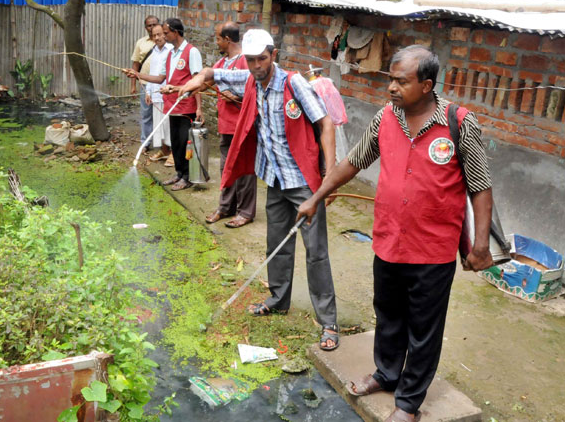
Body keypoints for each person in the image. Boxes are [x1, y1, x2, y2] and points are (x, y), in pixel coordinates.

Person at [296, 45, 495, 422]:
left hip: (432, 250)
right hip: (388, 240)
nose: (391, 88)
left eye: (401, 81)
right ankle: (387, 374)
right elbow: (354, 160)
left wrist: (481, 244)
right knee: (387, 314)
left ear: (426, 85)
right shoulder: (386, 117)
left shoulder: (458, 122)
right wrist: (317, 197)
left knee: (424, 328)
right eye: (390, 79)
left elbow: (480, 186)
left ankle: (408, 403)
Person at [178, 29, 339, 350]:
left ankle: (329, 322)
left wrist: (329, 174)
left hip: (303, 183)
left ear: (273, 54)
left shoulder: (294, 84)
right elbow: (216, 73)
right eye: (250, 60)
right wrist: (197, 80)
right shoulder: (250, 78)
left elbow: (326, 124)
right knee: (276, 243)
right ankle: (279, 300)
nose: (255, 66)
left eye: (261, 59)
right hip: (275, 180)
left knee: (316, 253)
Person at [127, 18, 202, 189]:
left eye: (166, 33)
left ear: (176, 32)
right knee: (175, 142)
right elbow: (160, 78)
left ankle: (188, 177)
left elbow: (198, 82)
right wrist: (137, 74)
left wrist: (199, 107)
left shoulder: (192, 52)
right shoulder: (170, 54)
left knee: (184, 143)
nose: (163, 36)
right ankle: (179, 174)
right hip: (171, 106)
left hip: (186, 107)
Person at [204, 22, 257, 229]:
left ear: (227, 39)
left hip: (242, 126)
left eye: (217, 38)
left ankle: (245, 212)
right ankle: (226, 207)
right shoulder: (221, 63)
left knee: (244, 169)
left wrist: (235, 95)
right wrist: (180, 88)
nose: (215, 41)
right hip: (226, 126)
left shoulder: (246, 62)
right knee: (226, 168)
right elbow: (205, 81)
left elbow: (255, 91)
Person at [144, 24, 173, 165]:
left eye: (159, 34)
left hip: (167, 93)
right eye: (154, 35)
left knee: (168, 124)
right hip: (155, 93)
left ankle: (173, 153)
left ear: (164, 34)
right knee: (158, 125)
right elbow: (152, 73)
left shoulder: (171, 50)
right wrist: (148, 91)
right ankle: (164, 150)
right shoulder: (154, 51)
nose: (157, 38)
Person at [130, 15, 159, 148]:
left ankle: (161, 144)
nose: (152, 27)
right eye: (149, 25)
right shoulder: (141, 43)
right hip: (145, 84)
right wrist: (133, 85)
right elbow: (135, 65)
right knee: (146, 114)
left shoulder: (165, 42)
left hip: (161, 85)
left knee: (160, 113)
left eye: (154, 24)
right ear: (145, 27)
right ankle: (145, 143)